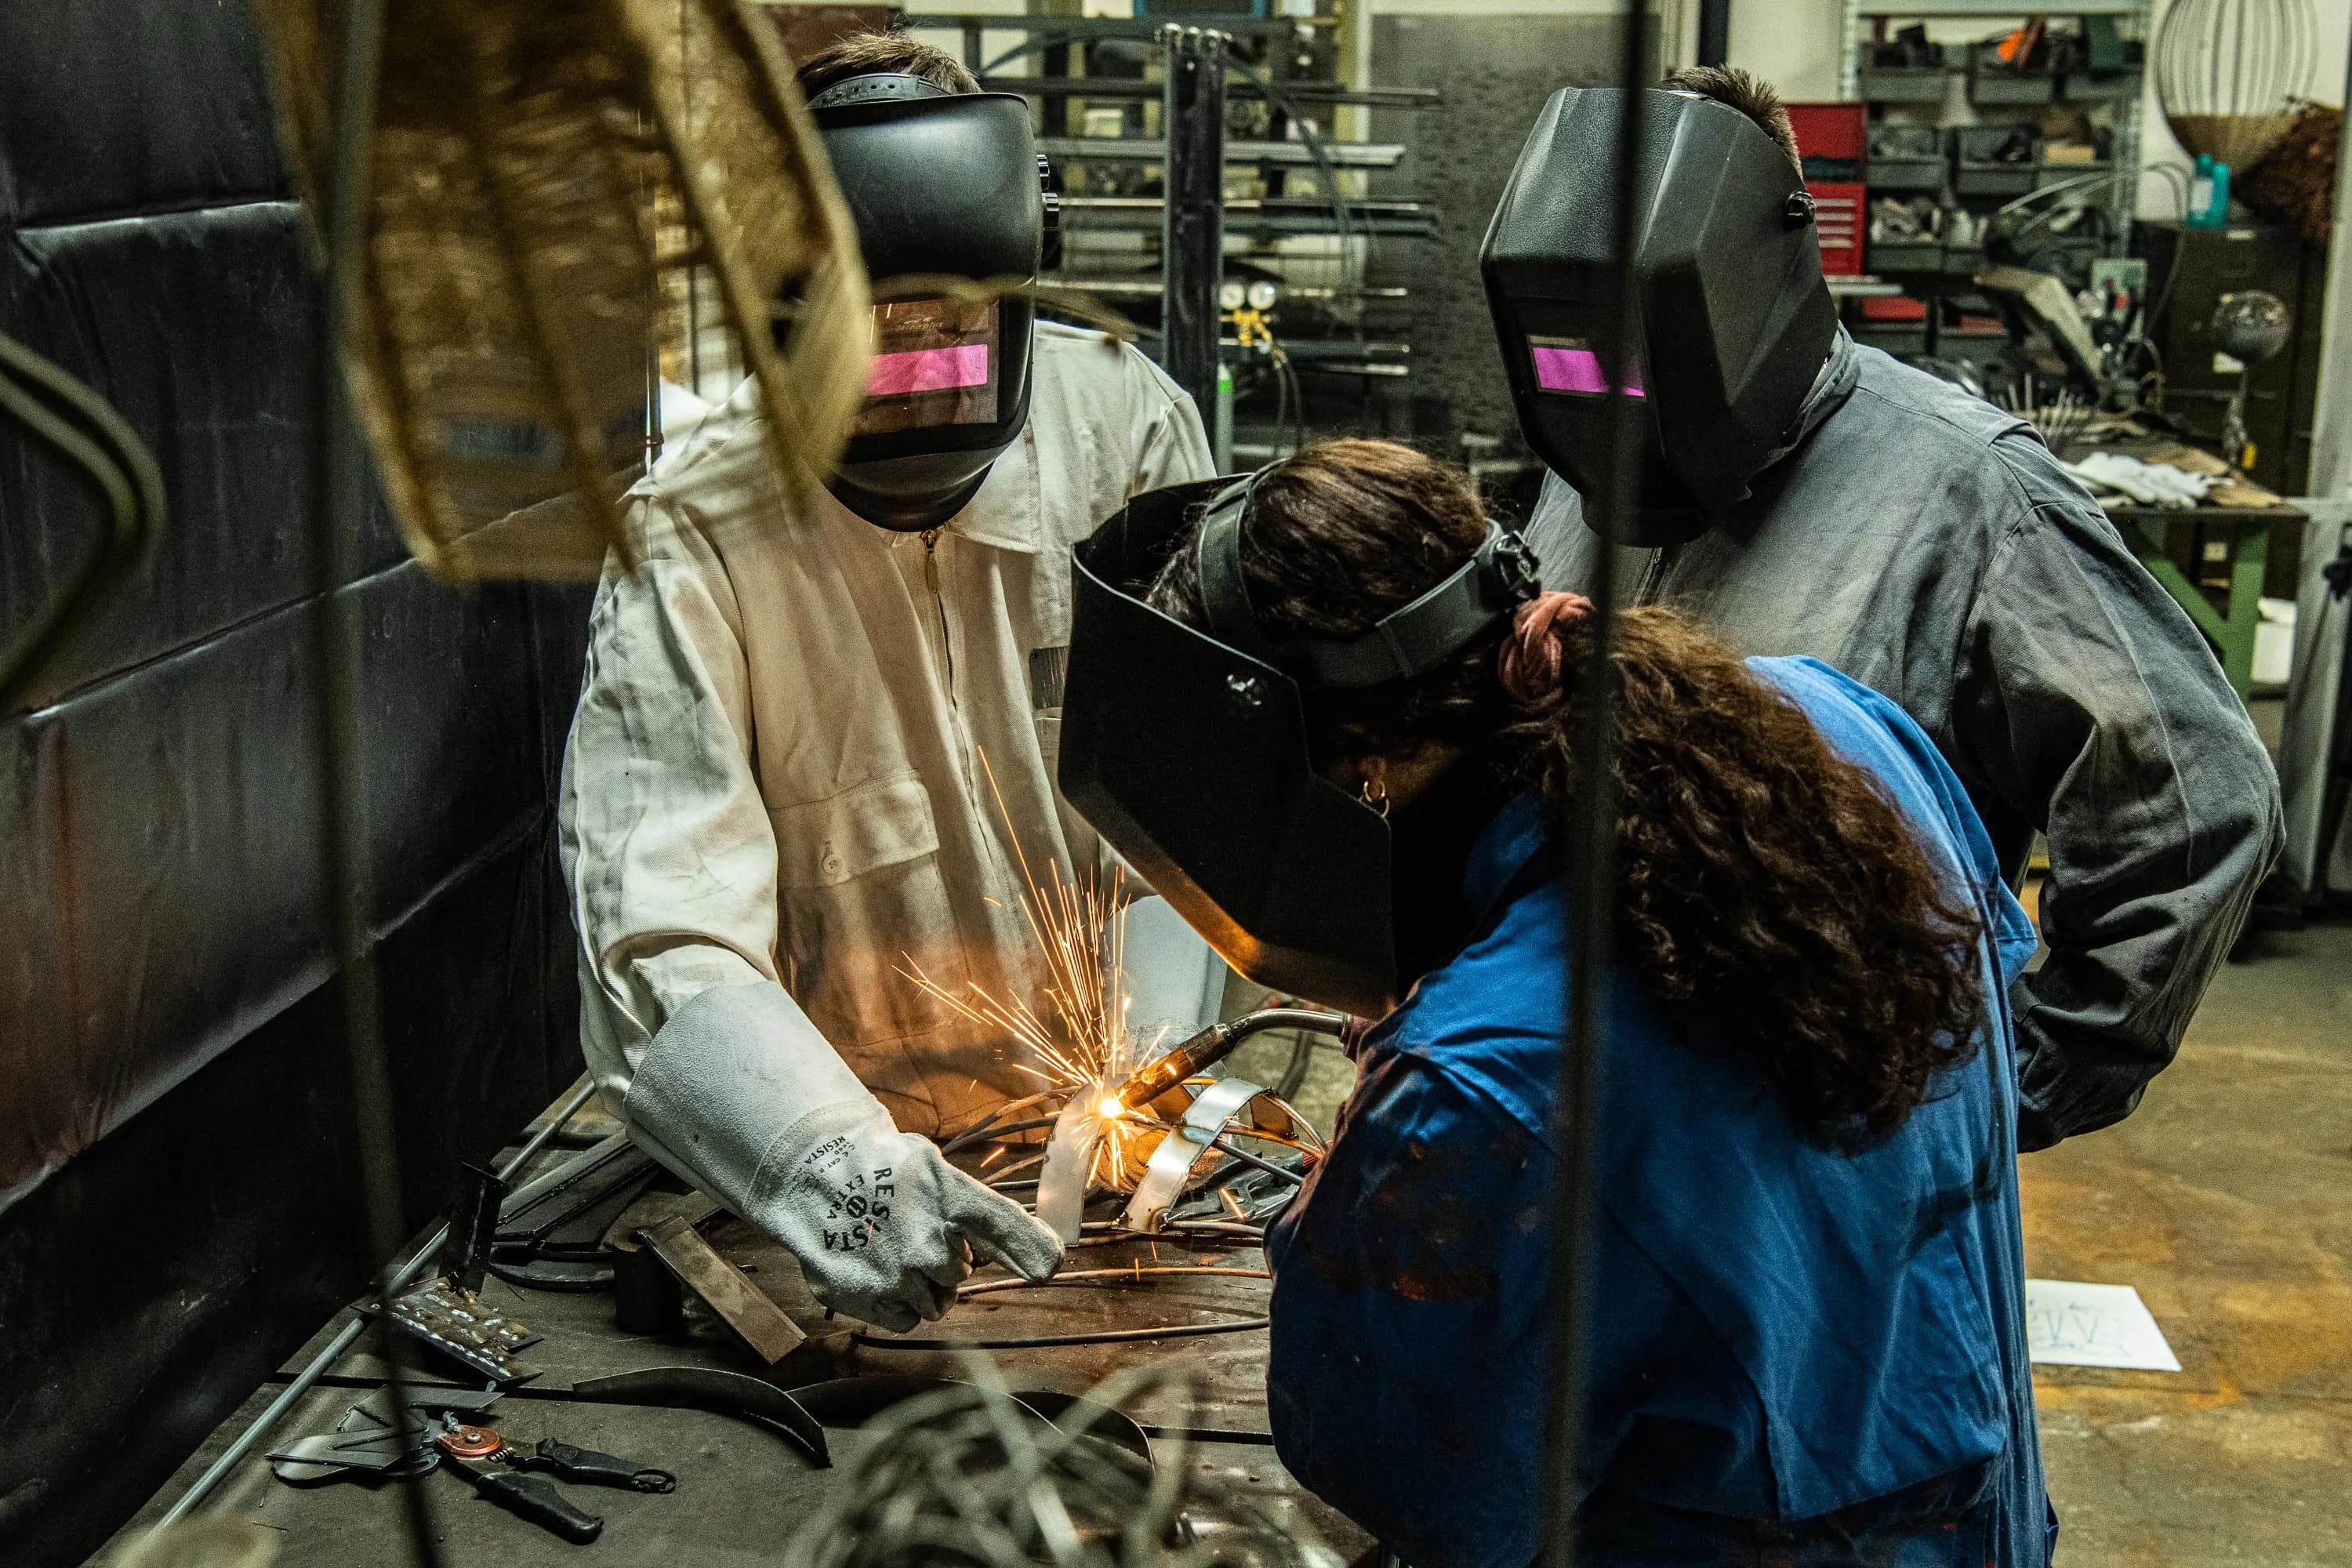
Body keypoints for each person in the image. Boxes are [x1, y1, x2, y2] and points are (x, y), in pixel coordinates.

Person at [1064, 440, 2049, 1566]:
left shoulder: (1477, 1088)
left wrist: (1352, 1202)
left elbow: (1423, 1486)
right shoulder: (1835, 731)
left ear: (1360, 766)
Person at [1484, 67, 2282, 1150]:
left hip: (1822, 1163)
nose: (1620, 393)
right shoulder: (1590, 455)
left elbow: (2196, 809)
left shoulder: (1968, 491)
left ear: (1751, 273)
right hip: (1585, 1128)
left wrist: (2003, 1095)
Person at [557, 34, 1221, 1334]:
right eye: (879, 335)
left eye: (957, 325)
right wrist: (825, 1165)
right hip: (853, 1202)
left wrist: (1144, 1076)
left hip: (1116, 1162)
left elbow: (1198, 809)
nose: (921, 366)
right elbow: (662, 924)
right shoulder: (693, 527)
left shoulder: (1126, 437)